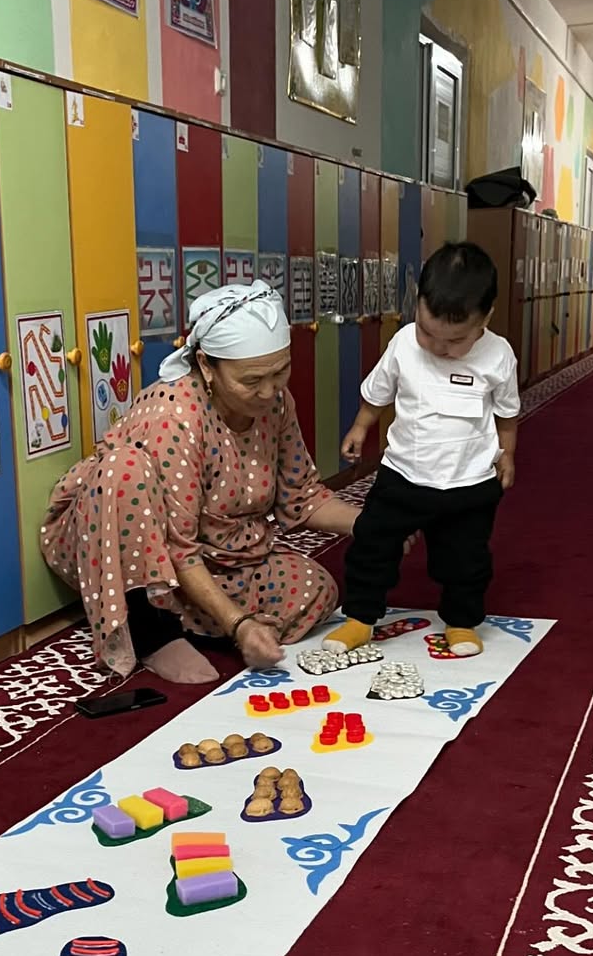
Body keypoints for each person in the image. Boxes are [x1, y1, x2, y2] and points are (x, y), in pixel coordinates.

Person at [40, 281, 366, 683]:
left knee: (315, 589)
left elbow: (301, 496)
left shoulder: (276, 403)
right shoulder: (176, 417)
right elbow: (178, 546)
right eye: (252, 381)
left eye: (280, 371)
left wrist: (371, 523)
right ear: (207, 366)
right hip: (133, 546)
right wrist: (237, 623)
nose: (269, 391)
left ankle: (196, 617)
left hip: (220, 554)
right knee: (124, 468)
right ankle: (151, 627)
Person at [325, 241, 519, 659]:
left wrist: (507, 453)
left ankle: (462, 621)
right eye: (427, 332)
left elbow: (506, 413)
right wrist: (360, 427)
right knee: (372, 543)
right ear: (418, 303)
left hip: (470, 482)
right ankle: (360, 617)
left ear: (486, 318)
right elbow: (378, 393)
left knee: (466, 559)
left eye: (455, 340)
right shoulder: (403, 344)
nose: (438, 347)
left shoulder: (498, 356)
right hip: (403, 474)